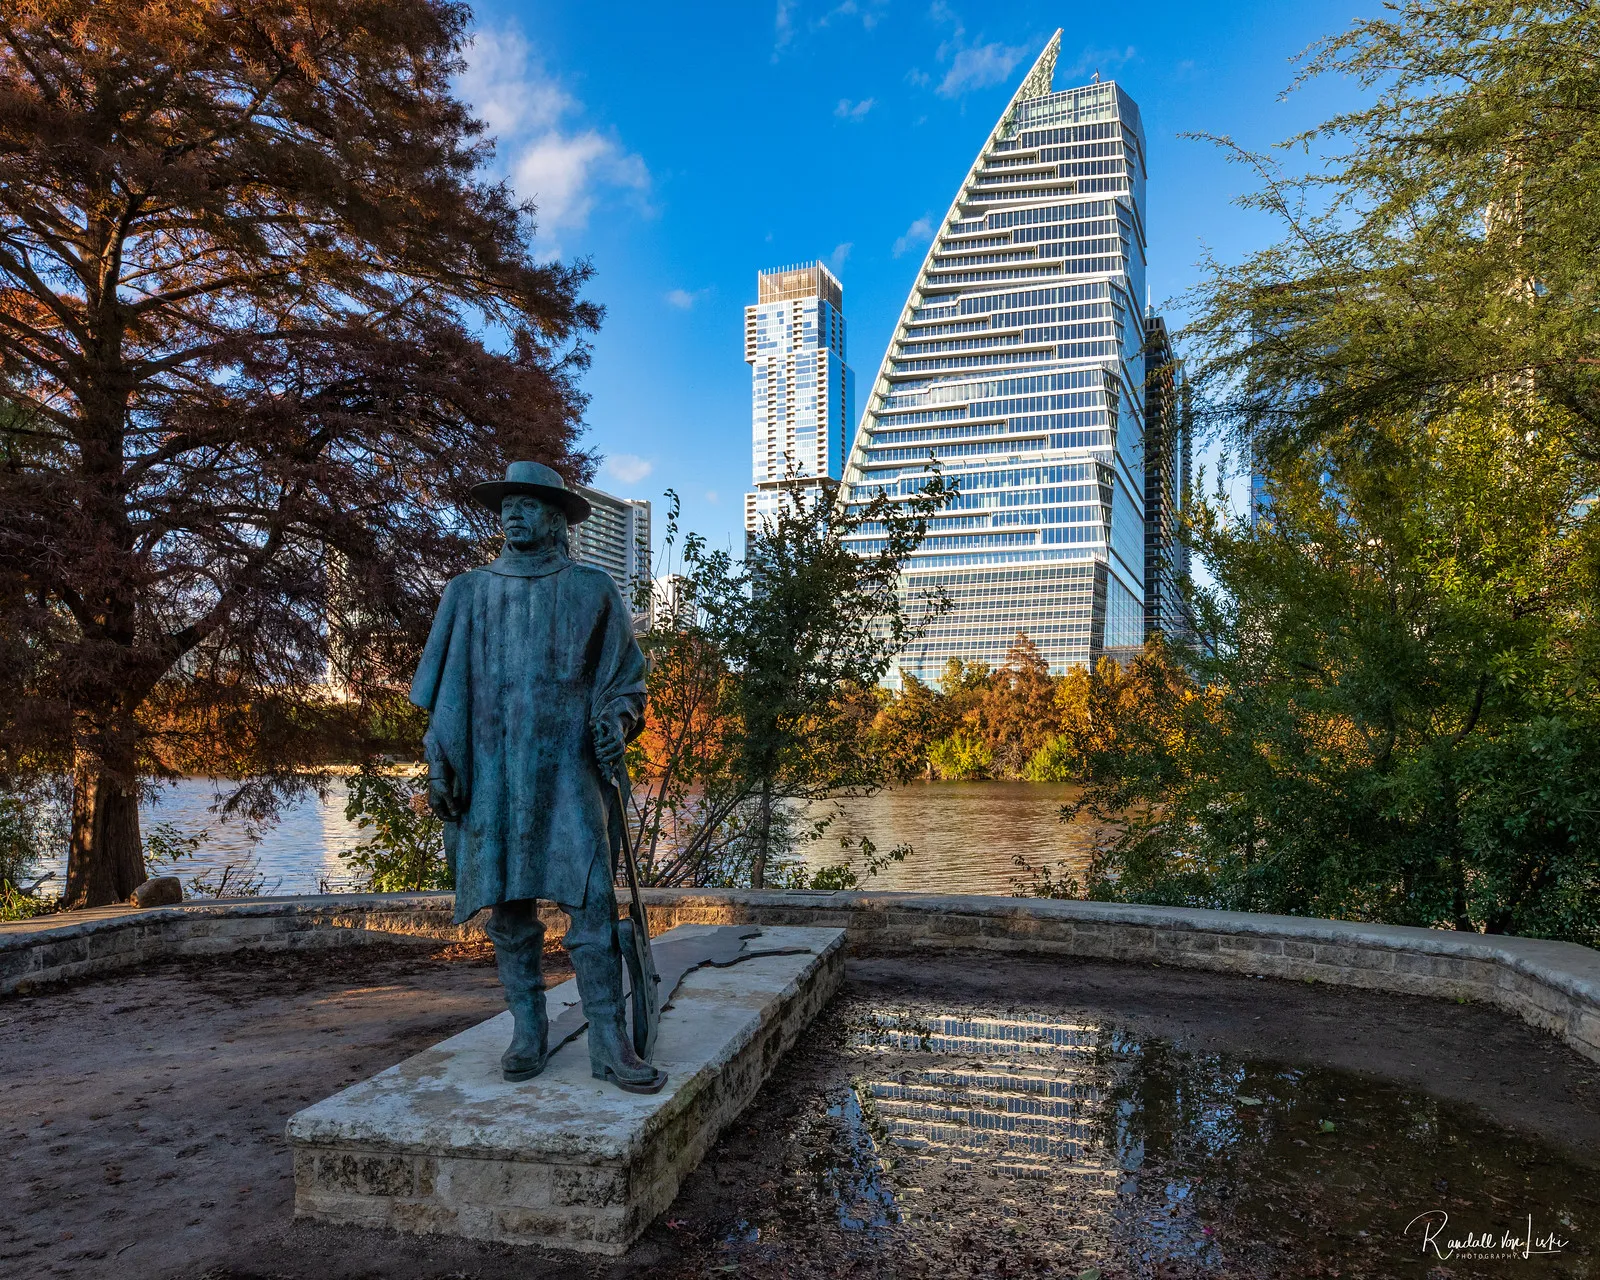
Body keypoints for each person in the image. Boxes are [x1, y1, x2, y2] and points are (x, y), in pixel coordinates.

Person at [409, 460, 664, 1093]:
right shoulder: (466, 592)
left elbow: (625, 682)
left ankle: (608, 1039)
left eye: (529, 504)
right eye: (507, 506)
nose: (514, 514)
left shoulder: (591, 589)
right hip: (492, 773)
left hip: (570, 773)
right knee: (508, 907)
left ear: (556, 518)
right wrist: (441, 761)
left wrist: (615, 719)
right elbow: (443, 696)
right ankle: (530, 1026)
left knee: (592, 903)